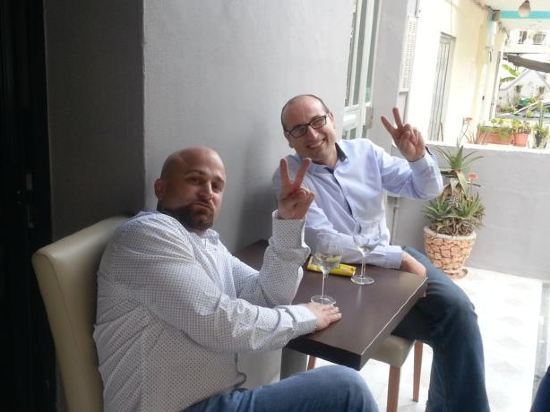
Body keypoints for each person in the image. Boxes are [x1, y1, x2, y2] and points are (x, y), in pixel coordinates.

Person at [94, 146, 378, 412]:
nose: (208, 192)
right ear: (161, 188)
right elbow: (220, 325)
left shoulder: (208, 244)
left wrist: (289, 224)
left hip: (220, 401)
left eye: (217, 186)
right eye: (195, 180)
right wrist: (305, 316)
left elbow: (268, 296)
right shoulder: (147, 235)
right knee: (346, 388)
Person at [273, 94, 490, 412]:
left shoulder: (366, 152)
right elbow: (325, 243)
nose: (313, 134)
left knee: (460, 311)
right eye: (299, 129)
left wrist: (417, 159)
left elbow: (426, 189)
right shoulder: (291, 178)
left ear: (331, 118)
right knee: (452, 326)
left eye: (317, 121)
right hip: (343, 276)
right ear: (288, 138)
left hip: (392, 259)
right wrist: (398, 258)